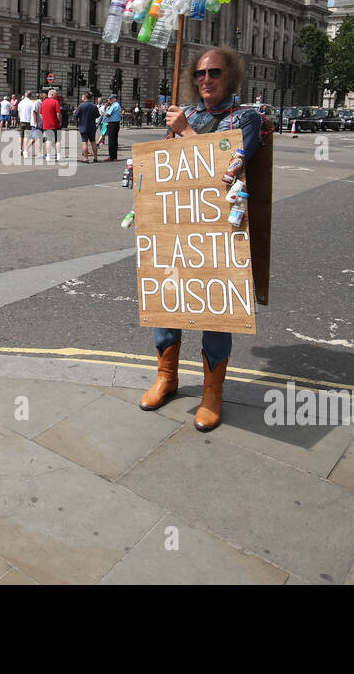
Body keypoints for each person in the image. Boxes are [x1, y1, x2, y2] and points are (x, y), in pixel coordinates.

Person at [142, 47, 265, 433]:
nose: (205, 80)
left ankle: (213, 392)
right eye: (199, 74)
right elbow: (166, 170)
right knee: (168, 300)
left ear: (231, 76)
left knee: (216, 308)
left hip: (221, 227)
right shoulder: (187, 113)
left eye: (214, 72)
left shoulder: (247, 118)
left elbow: (229, 168)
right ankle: (167, 376)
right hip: (178, 225)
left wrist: (185, 133)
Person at [74, 92, 100, 162]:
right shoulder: (94, 106)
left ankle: (86, 158)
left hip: (83, 126)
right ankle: (95, 158)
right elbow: (98, 115)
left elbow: (76, 116)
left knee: (84, 142)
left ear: (85, 98)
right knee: (93, 142)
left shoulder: (81, 106)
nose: (81, 98)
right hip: (92, 126)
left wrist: (75, 112)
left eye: (82, 97)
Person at [39, 88, 62, 161]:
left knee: (48, 140)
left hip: (46, 125)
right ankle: (58, 155)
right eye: (56, 94)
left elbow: (40, 114)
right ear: (52, 94)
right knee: (57, 140)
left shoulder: (43, 102)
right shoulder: (55, 102)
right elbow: (58, 113)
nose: (57, 96)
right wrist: (60, 121)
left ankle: (48, 156)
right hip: (55, 124)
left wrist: (44, 120)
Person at [104, 94, 123, 161]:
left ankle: (111, 156)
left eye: (111, 99)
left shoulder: (114, 105)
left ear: (115, 99)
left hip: (112, 124)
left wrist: (106, 111)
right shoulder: (118, 105)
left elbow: (107, 114)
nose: (109, 100)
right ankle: (114, 156)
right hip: (116, 124)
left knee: (111, 141)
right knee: (115, 141)